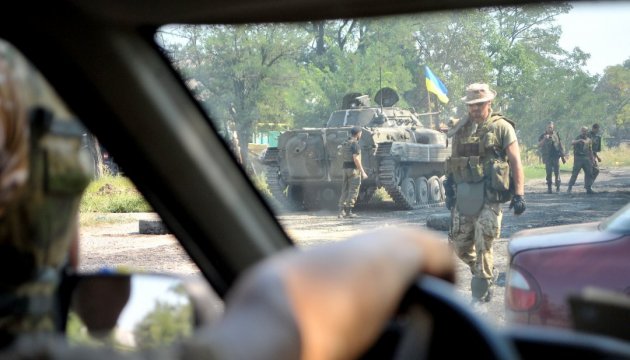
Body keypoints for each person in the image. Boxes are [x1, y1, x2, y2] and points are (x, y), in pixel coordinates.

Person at [444, 83, 525, 303]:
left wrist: (519, 194)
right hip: (464, 195)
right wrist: (449, 188)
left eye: (479, 104)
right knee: (459, 246)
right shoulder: (460, 128)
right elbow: (454, 162)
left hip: (490, 197)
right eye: (471, 105)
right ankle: (485, 275)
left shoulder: (501, 127)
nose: (475, 109)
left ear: (489, 102)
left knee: (483, 245)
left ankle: (478, 297)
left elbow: (516, 161)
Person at [337, 126, 368, 218]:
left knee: (344, 190)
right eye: (361, 133)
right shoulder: (355, 144)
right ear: (358, 134)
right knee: (353, 190)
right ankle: (349, 212)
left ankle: (340, 211)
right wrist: (362, 172)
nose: (361, 135)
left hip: (345, 169)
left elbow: (339, 154)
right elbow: (356, 159)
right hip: (354, 170)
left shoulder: (344, 143)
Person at [538, 121, 566, 193]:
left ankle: (558, 187)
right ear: (546, 127)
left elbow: (560, 144)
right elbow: (539, 145)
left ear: (553, 127)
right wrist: (544, 139)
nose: (550, 128)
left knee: (557, 172)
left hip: (556, 156)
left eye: (551, 127)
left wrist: (563, 156)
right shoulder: (543, 135)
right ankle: (549, 188)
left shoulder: (556, 134)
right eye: (548, 127)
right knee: (549, 172)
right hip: (548, 157)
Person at [567, 126, 595, 194]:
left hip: (586, 158)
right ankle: (569, 188)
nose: (584, 132)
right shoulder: (578, 138)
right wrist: (579, 140)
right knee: (575, 174)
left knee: (589, 173)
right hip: (578, 159)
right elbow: (572, 142)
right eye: (582, 131)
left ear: (587, 131)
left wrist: (592, 159)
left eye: (585, 131)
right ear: (581, 131)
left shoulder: (589, 140)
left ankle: (588, 188)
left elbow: (590, 150)